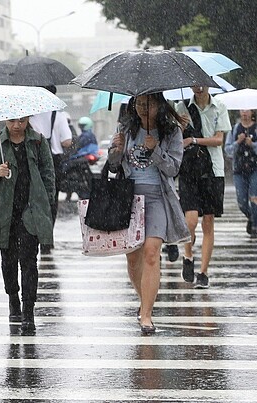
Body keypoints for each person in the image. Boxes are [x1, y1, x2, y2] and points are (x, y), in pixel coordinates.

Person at [108, 93, 190, 334]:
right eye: (139, 104)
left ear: (159, 105)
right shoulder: (126, 128)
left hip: (157, 197)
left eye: (149, 104)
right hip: (129, 197)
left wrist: (155, 150)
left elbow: (173, 168)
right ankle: (143, 299)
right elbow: (113, 166)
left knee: (152, 253)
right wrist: (116, 149)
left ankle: (146, 315)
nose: (144, 109)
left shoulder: (171, 132)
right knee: (133, 258)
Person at [0, 116, 55, 334]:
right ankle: (13, 299)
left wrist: (47, 203)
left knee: (29, 262)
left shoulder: (37, 141)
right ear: (5, 120)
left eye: (22, 121)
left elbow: (48, 175)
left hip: (30, 212)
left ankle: (28, 311)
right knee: (8, 261)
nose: (17, 125)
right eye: (12, 121)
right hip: (6, 213)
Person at [175, 86, 232, 289]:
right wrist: (181, 129)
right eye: (194, 83)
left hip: (213, 171)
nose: (198, 87)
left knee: (208, 223)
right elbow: (176, 141)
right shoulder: (181, 106)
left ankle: (203, 272)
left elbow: (218, 140)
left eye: (202, 83)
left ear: (208, 84)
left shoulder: (219, 107)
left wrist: (194, 140)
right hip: (189, 171)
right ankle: (188, 255)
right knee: (189, 221)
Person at [28, 86, 72, 254]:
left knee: (36, 200)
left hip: (35, 162)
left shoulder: (31, 116)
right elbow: (67, 141)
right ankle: (47, 240)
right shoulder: (59, 116)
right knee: (51, 201)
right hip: (55, 163)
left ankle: (35, 235)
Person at [225, 109, 257, 238]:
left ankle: (255, 226)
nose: (244, 113)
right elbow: (228, 150)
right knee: (242, 202)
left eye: (247, 110)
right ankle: (252, 217)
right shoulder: (234, 129)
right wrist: (238, 142)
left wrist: (253, 144)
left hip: (255, 169)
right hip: (239, 170)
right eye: (242, 110)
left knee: (254, 197)